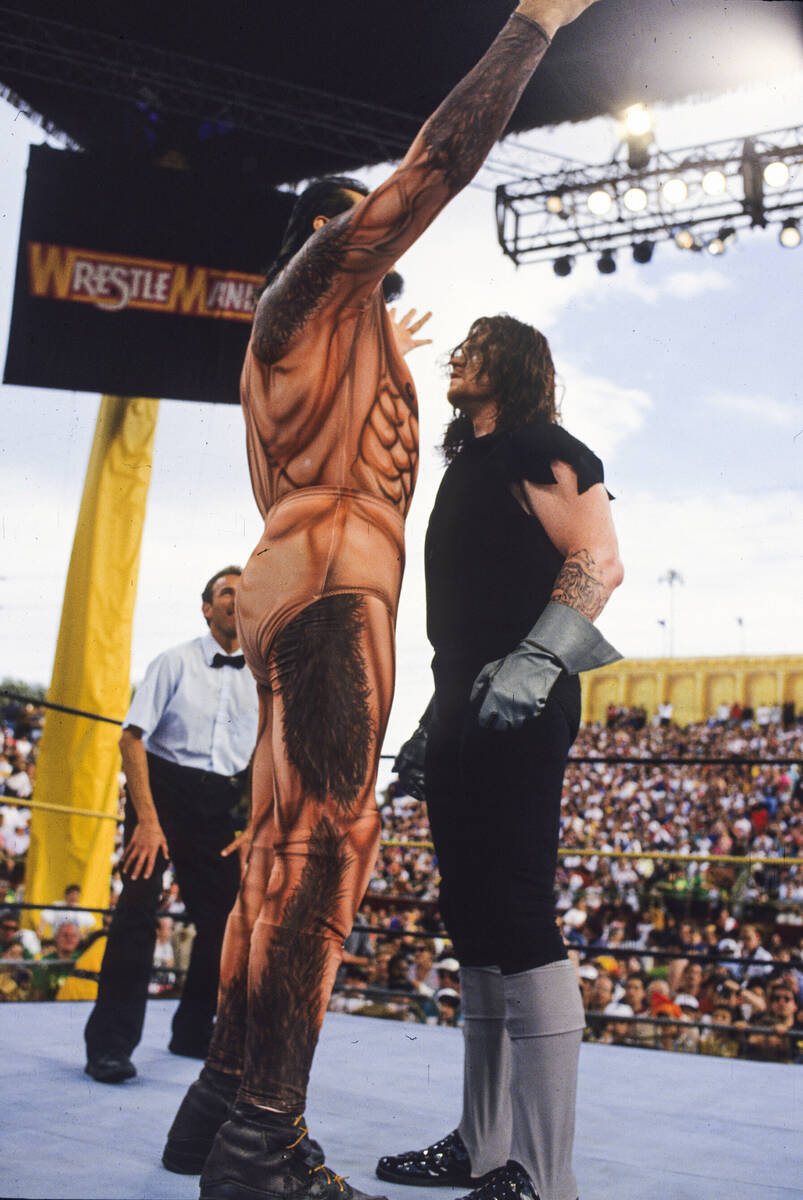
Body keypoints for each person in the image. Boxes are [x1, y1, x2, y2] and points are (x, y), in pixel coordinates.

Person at [163, 2, 602, 1197]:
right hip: (329, 589)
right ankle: (264, 1137)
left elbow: (344, 375)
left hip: (300, 586)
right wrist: (530, 27)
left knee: (272, 862)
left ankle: (216, 1106)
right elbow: (438, 161)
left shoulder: (313, 339)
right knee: (320, 855)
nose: (377, 251)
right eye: (358, 238)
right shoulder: (309, 286)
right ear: (321, 234)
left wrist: (382, 344)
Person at [376, 309, 623, 1200]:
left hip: (524, 701)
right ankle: (483, 1150)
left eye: (479, 345)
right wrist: (429, 723)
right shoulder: (469, 464)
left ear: (514, 365)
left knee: (517, 914)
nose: (460, 354)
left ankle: (541, 1173)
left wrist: (537, 656)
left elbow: (597, 557)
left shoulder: (542, 446)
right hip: (461, 705)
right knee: (474, 927)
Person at [83, 567, 258, 1083]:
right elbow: (131, 738)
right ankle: (109, 1047)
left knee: (224, 920)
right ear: (207, 607)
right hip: (159, 795)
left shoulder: (264, 677)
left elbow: (266, 755)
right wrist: (148, 823)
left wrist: (252, 823)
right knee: (137, 911)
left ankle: (191, 1031)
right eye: (227, 591)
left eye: (245, 592)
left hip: (220, 805)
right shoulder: (174, 661)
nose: (237, 598)